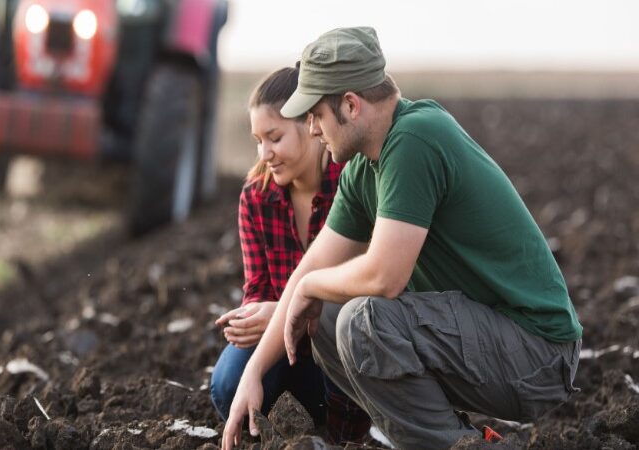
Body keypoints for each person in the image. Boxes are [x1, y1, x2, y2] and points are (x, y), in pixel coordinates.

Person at [222, 27, 582, 450]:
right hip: (485, 339)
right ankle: (459, 440)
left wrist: (309, 287)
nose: (314, 130)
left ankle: (453, 445)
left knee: (363, 321)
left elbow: (384, 277)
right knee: (326, 320)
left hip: (537, 353)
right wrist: (253, 374)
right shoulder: (362, 169)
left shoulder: (415, 139)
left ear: (351, 106)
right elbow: (311, 268)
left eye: (316, 115)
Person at [210, 65, 371, 444]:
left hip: (342, 346)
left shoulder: (351, 183)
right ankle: (285, 429)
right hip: (282, 347)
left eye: (275, 137)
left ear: (312, 125)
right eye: (257, 141)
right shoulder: (256, 196)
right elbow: (257, 286)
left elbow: (365, 286)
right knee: (227, 384)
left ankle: (341, 431)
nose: (265, 153)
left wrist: (284, 311)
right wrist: (258, 313)